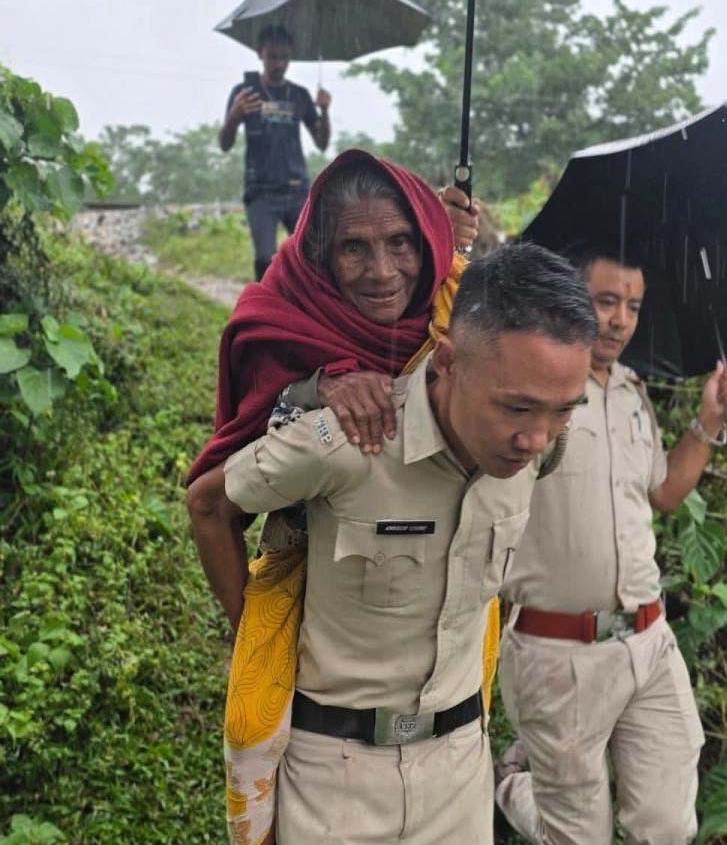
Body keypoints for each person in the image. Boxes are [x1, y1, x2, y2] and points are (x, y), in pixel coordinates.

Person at [187, 241, 598, 845]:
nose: (536, 437)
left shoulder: (534, 455)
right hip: (336, 782)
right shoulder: (348, 444)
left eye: (563, 412)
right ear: (450, 362)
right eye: (517, 408)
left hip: (460, 773)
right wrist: (252, 634)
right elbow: (208, 504)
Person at [493, 252, 727, 845]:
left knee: (666, 827)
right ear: (572, 296)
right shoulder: (531, 390)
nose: (620, 320)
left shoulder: (632, 392)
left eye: (632, 305)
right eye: (606, 301)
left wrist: (708, 420)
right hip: (558, 654)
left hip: (650, 645)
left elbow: (663, 492)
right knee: (579, 837)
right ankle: (510, 784)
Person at [219, 24, 331, 280]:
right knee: (264, 258)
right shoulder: (243, 93)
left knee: (314, 254)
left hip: (296, 189)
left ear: (290, 55)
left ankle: (309, 310)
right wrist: (235, 115)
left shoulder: (299, 95)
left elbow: (322, 142)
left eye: (284, 57)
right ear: (260, 53)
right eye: (272, 57)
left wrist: (324, 110)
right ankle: (266, 311)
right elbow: (224, 143)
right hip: (261, 191)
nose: (278, 64)